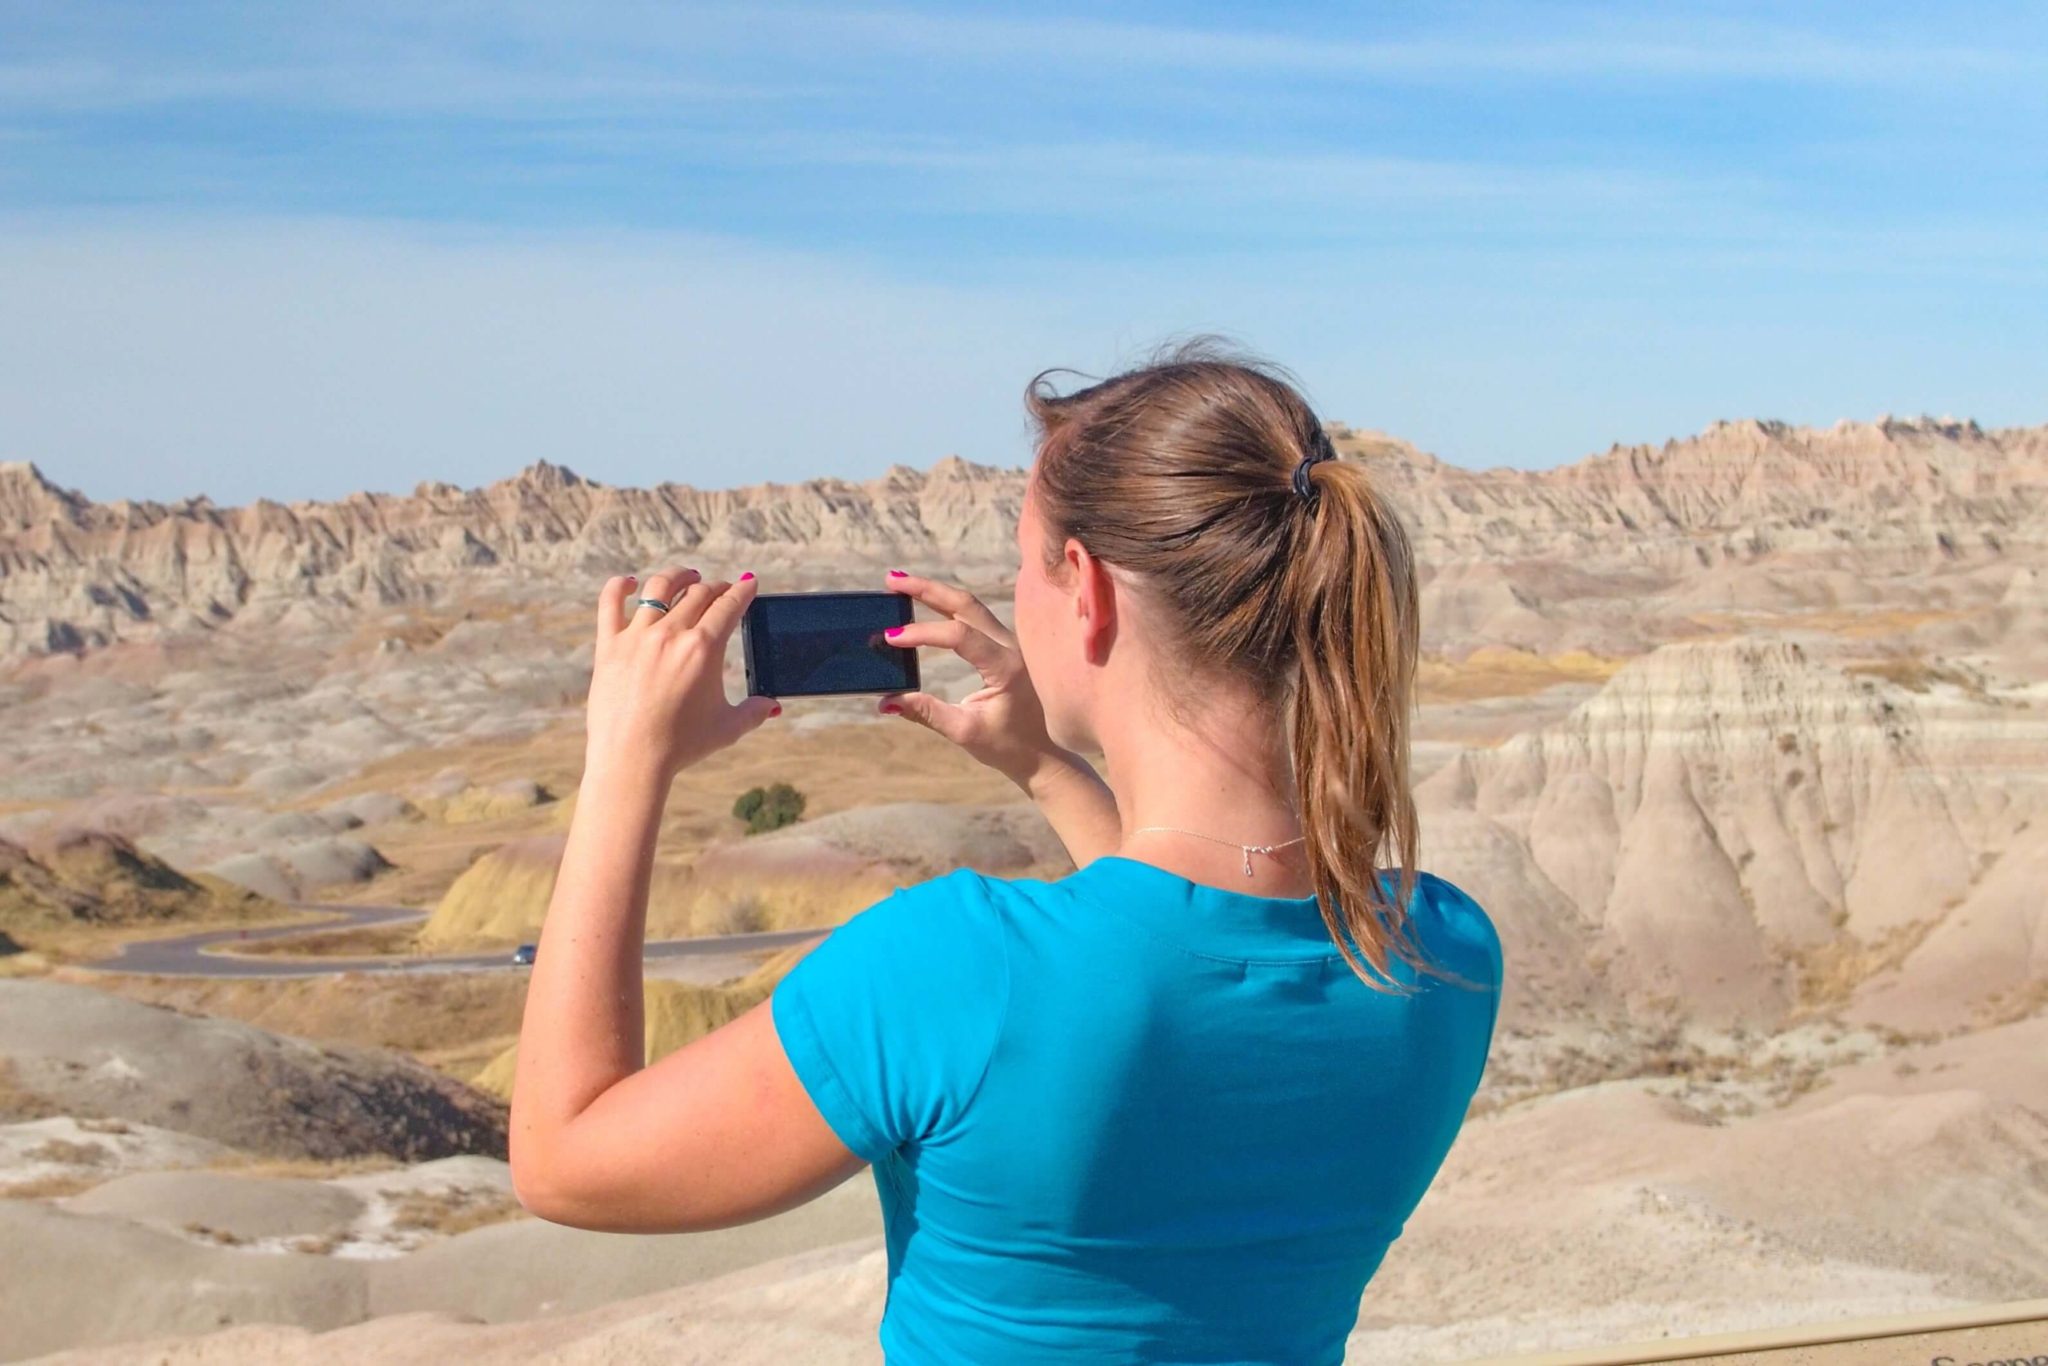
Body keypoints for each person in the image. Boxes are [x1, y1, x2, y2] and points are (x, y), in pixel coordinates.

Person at [508, 335, 1505, 1365]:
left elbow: (564, 1158)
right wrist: (1045, 768)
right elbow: (1176, 955)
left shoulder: (950, 969)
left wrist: (623, 760)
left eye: (1022, 561)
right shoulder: (1443, 954)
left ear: (1085, 587)